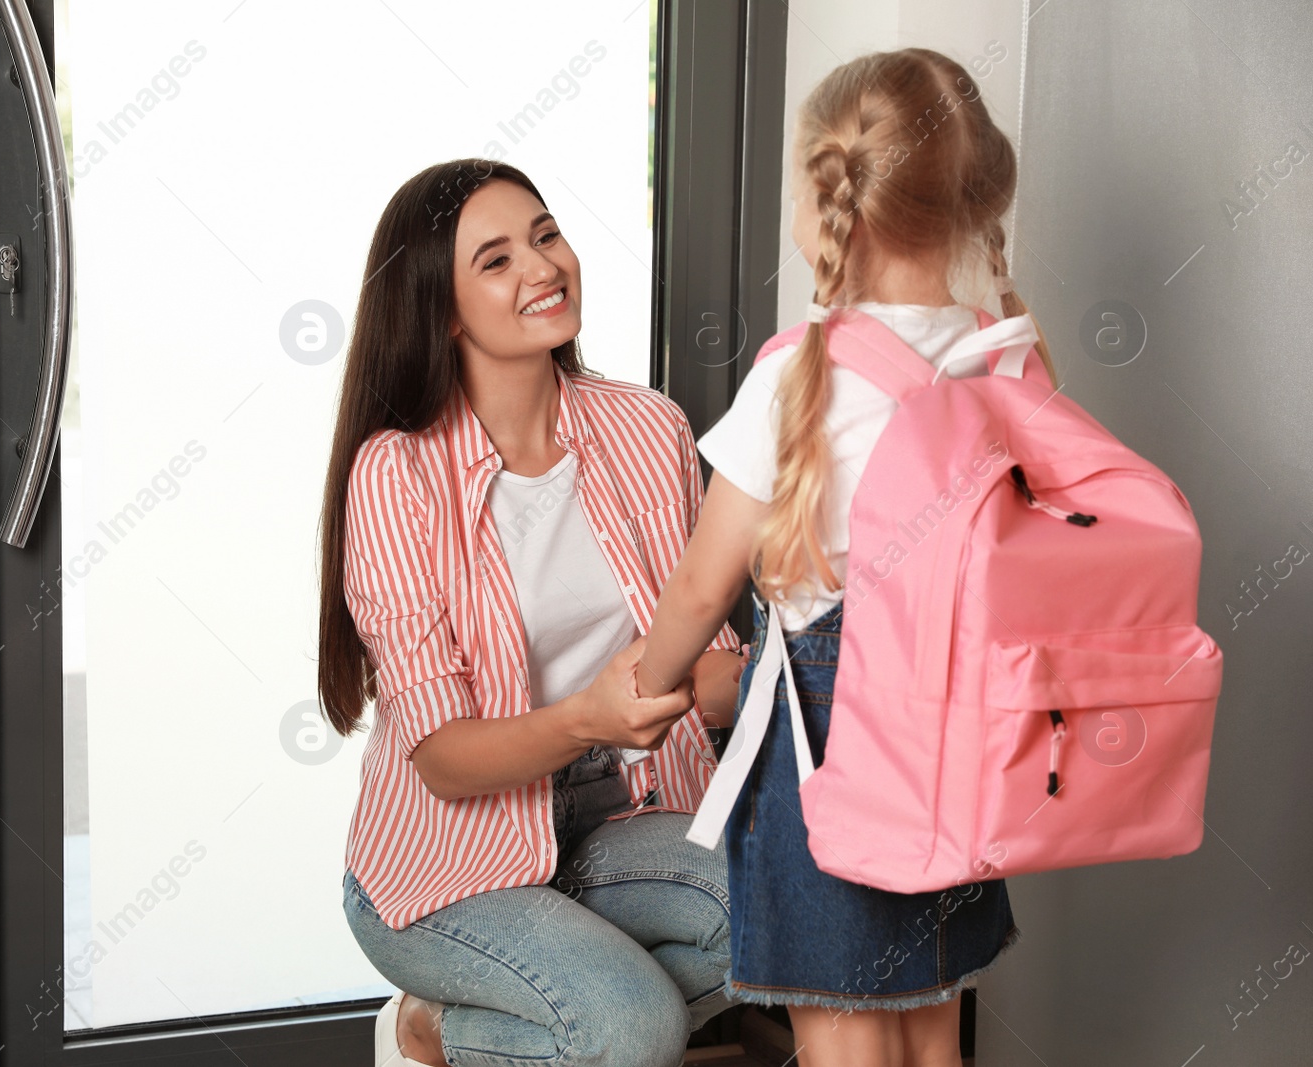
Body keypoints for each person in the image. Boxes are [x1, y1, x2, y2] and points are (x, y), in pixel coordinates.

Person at [635, 48, 1045, 1067]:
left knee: (843, 1034)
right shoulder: (1009, 352)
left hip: (827, 740)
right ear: (979, 187)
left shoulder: (797, 375)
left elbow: (700, 581)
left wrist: (648, 685)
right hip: (963, 736)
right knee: (929, 1024)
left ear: (825, 197)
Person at [317, 158, 748, 1067]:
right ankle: (423, 1024)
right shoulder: (397, 475)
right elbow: (440, 758)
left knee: (777, 919)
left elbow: (706, 661)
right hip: (446, 867)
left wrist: (777, 665)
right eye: (498, 259)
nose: (543, 268)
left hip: (621, 821)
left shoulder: (648, 428)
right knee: (633, 1029)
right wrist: (586, 716)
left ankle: (499, 1016)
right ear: (441, 307)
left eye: (546, 235)